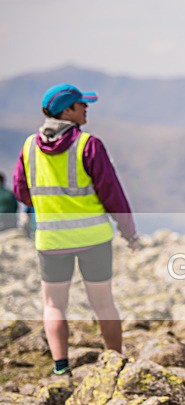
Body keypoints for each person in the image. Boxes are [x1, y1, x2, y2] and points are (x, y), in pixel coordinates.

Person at [13, 83, 140, 376]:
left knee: (54, 305)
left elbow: (22, 191)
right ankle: (115, 364)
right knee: (104, 304)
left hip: (51, 240)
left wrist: (50, 205)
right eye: (81, 104)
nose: (87, 108)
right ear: (67, 111)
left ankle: (60, 369)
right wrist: (129, 231)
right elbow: (112, 194)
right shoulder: (88, 145)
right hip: (93, 239)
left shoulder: (29, 146)